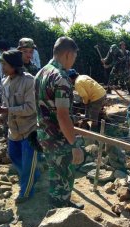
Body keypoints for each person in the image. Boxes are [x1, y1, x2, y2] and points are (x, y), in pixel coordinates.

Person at [0, 50, 40, 203]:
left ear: (15, 65)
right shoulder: (4, 81)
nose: (2, 67)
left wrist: (3, 110)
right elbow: (4, 106)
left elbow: (31, 108)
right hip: (13, 131)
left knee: (28, 165)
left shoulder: (29, 81)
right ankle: (34, 176)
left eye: (5, 64)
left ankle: (26, 192)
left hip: (30, 130)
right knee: (14, 157)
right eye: (2, 64)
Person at [35, 36, 84, 209]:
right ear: (68, 54)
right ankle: (62, 213)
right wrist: (74, 144)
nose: (73, 62)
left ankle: (57, 204)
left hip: (43, 134)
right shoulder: (61, 78)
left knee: (55, 172)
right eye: (74, 57)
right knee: (64, 174)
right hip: (58, 138)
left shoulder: (41, 72)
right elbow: (63, 116)